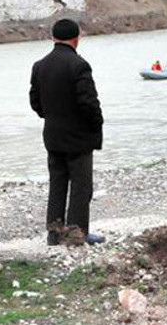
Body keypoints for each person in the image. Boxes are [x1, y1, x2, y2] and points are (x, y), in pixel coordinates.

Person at [29, 19, 105, 246]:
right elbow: (89, 102)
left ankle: (54, 233)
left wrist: (50, 116)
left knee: (58, 183)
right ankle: (76, 234)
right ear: (76, 39)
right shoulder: (79, 65)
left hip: (52, 134)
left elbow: (35, 101)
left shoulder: (39, 65)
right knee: (81, 186)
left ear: (53, 38)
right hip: (78, 137)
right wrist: (97, 124)